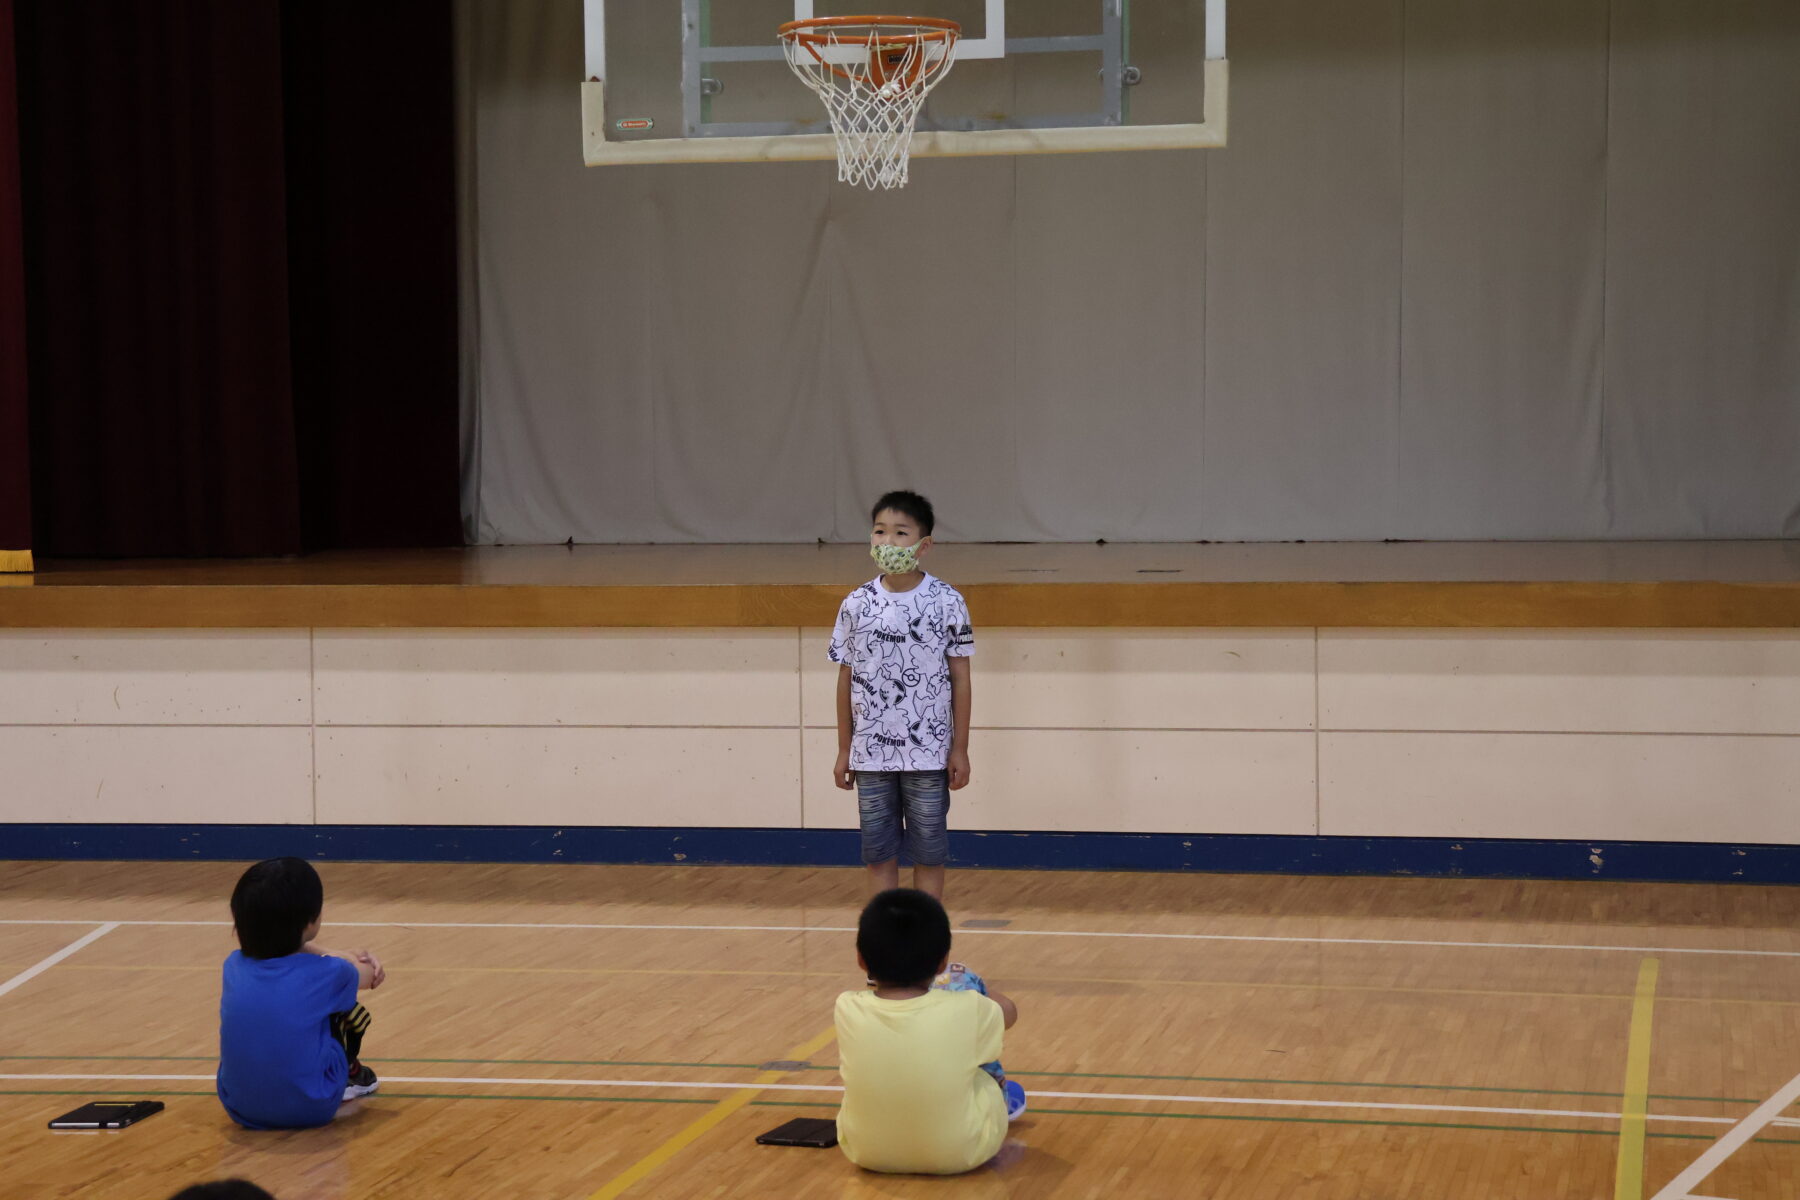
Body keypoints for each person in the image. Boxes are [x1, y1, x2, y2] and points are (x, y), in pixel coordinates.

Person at [830, 490, 974, 900]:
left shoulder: (947, 601)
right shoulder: (856, 604)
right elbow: (846, 678)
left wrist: (959, 749)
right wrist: (845, 749)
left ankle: (926, 945)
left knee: (929, 854)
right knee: (879, 854)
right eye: (879, 531)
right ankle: (886, 947)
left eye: (900, 533)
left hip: (928, 754)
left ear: (923, 545)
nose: (887, 542)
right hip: (871, 755)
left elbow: (961, 678)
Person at [835, 888, 1025, 1175]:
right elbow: (1008, 1013)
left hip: (864, 1151)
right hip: (963, 1154)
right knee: (982, 1063)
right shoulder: (969, 1008)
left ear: (861, 959)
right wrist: (968, 982)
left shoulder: (846, 1006)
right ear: (941, 961)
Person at [216, 857, 384, 1130]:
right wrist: (354, 958)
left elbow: (287, 947)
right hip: (313, 1106)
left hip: (238, 1106)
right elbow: (367, 977)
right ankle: (350, 1074)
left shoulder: (233, 965)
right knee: (346, 1010)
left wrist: (332, 953)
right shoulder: (328, 973)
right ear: (310, 922)